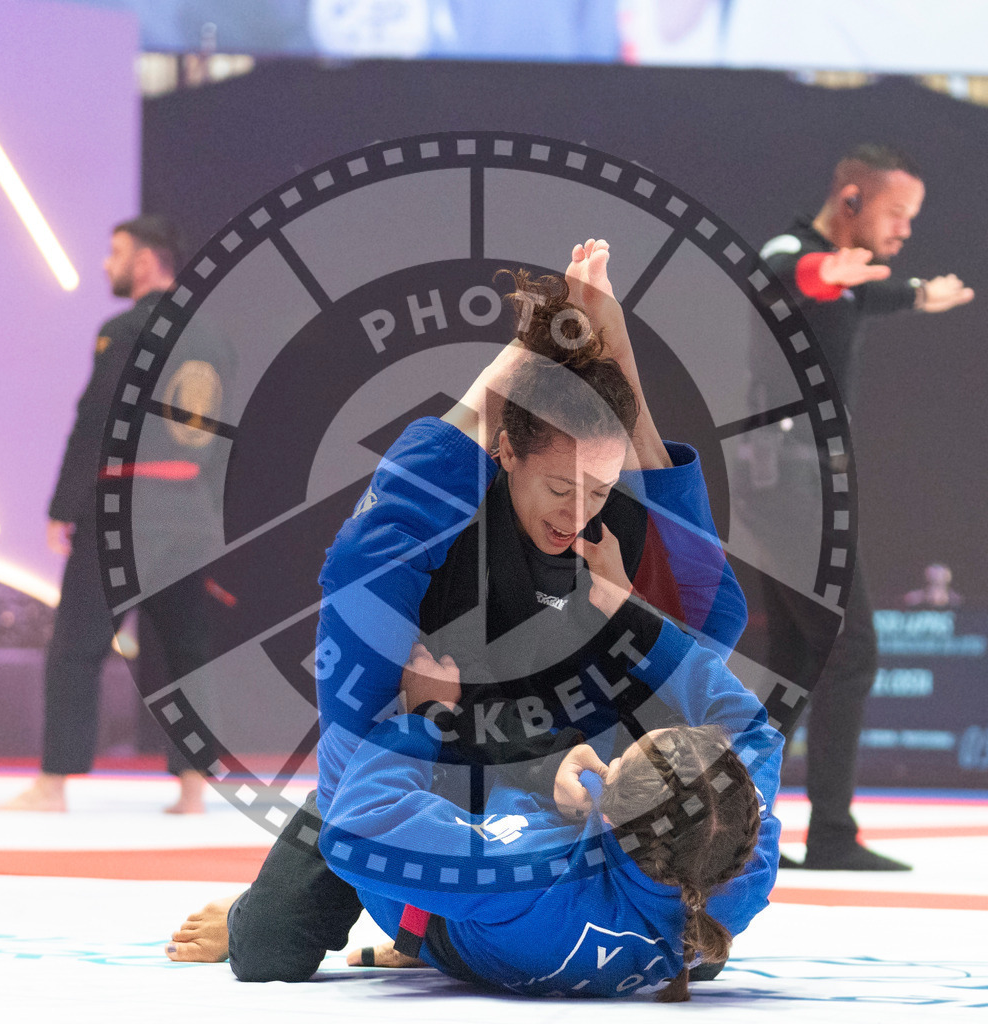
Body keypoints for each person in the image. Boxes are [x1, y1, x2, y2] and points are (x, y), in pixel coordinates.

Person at [166, 241, 750, 981]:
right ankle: (366, 919)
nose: (577, 512)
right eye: (558, 489)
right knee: (269, 948)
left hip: (558, 782)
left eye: (598, 491)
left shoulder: (608, 530)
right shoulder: (447, 519)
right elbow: (359, 569)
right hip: (429, 762)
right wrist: (527, 347)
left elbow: (711, 614)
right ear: (506, 450)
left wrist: (617, 344)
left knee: (690, 936)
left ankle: (436, 931)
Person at [316, 624, 780, 1002]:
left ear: (607, 820)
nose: (611, 760)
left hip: (456, 925)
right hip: (616, 917)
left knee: (350, 786)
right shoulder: (744, 865)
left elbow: (356, 827)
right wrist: (631, 617)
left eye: (618, 763)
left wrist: (424, 716)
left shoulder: (531, 869)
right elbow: (752, 731)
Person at [757, 144, 974, 870]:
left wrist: (918, 293)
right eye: (896, 212)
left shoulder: (852, 280)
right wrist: (825, 273)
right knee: (851, 650)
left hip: (803, 481)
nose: (905, 228)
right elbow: (788, 274)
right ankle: (829, 834)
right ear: (851, 199)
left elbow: (869, 293)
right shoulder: (794, 253)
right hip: (787, 479)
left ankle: (738, 828)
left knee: (793, 661)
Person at [0, 216, 210, 814]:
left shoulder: (125, 329)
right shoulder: (213, 337)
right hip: (188, 510)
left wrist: (63, 506)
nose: (106, 264)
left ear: (143, 261)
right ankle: (192, 787)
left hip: (124, 508)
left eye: (115, 252)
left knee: (77, 645)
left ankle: (53, 784)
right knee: (187, 651)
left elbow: (97, 422)